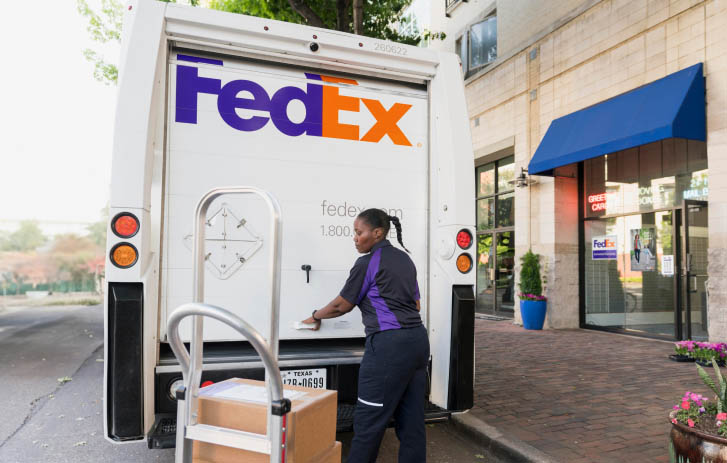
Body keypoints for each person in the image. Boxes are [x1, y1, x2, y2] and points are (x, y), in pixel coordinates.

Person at [300, 208, 429, 463]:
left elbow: (341, 305)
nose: (355, 238)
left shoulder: (368, 263)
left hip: (388, 348)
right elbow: (416, 305)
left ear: (377, 233)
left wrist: (315, 315)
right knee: (412, 422)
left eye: (359, 233)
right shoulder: (405, 260)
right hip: (417, 343)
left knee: (368, 422)